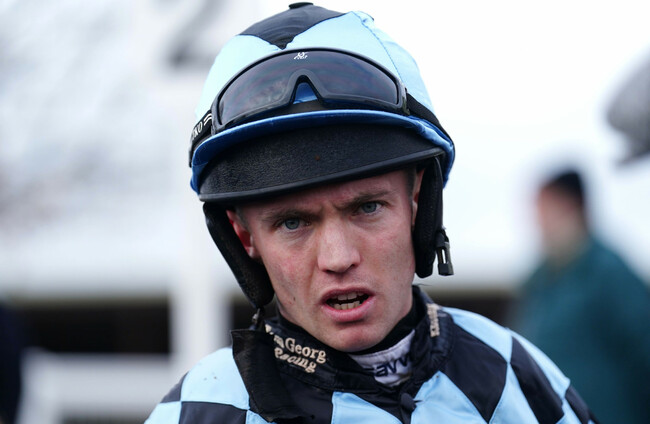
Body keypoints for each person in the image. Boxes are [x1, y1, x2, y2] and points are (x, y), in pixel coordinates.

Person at [146, 4, 597, 423]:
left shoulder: (517, 379)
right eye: (292, 222)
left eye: (367, 207)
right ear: (244, 237)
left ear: (417, 201)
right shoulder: (199, 412)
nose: (338, 258)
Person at [510, 169, 650, 424]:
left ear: (572, 207)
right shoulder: (539, 280)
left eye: (546, 208)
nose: (538, 221)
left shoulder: (609, 273)